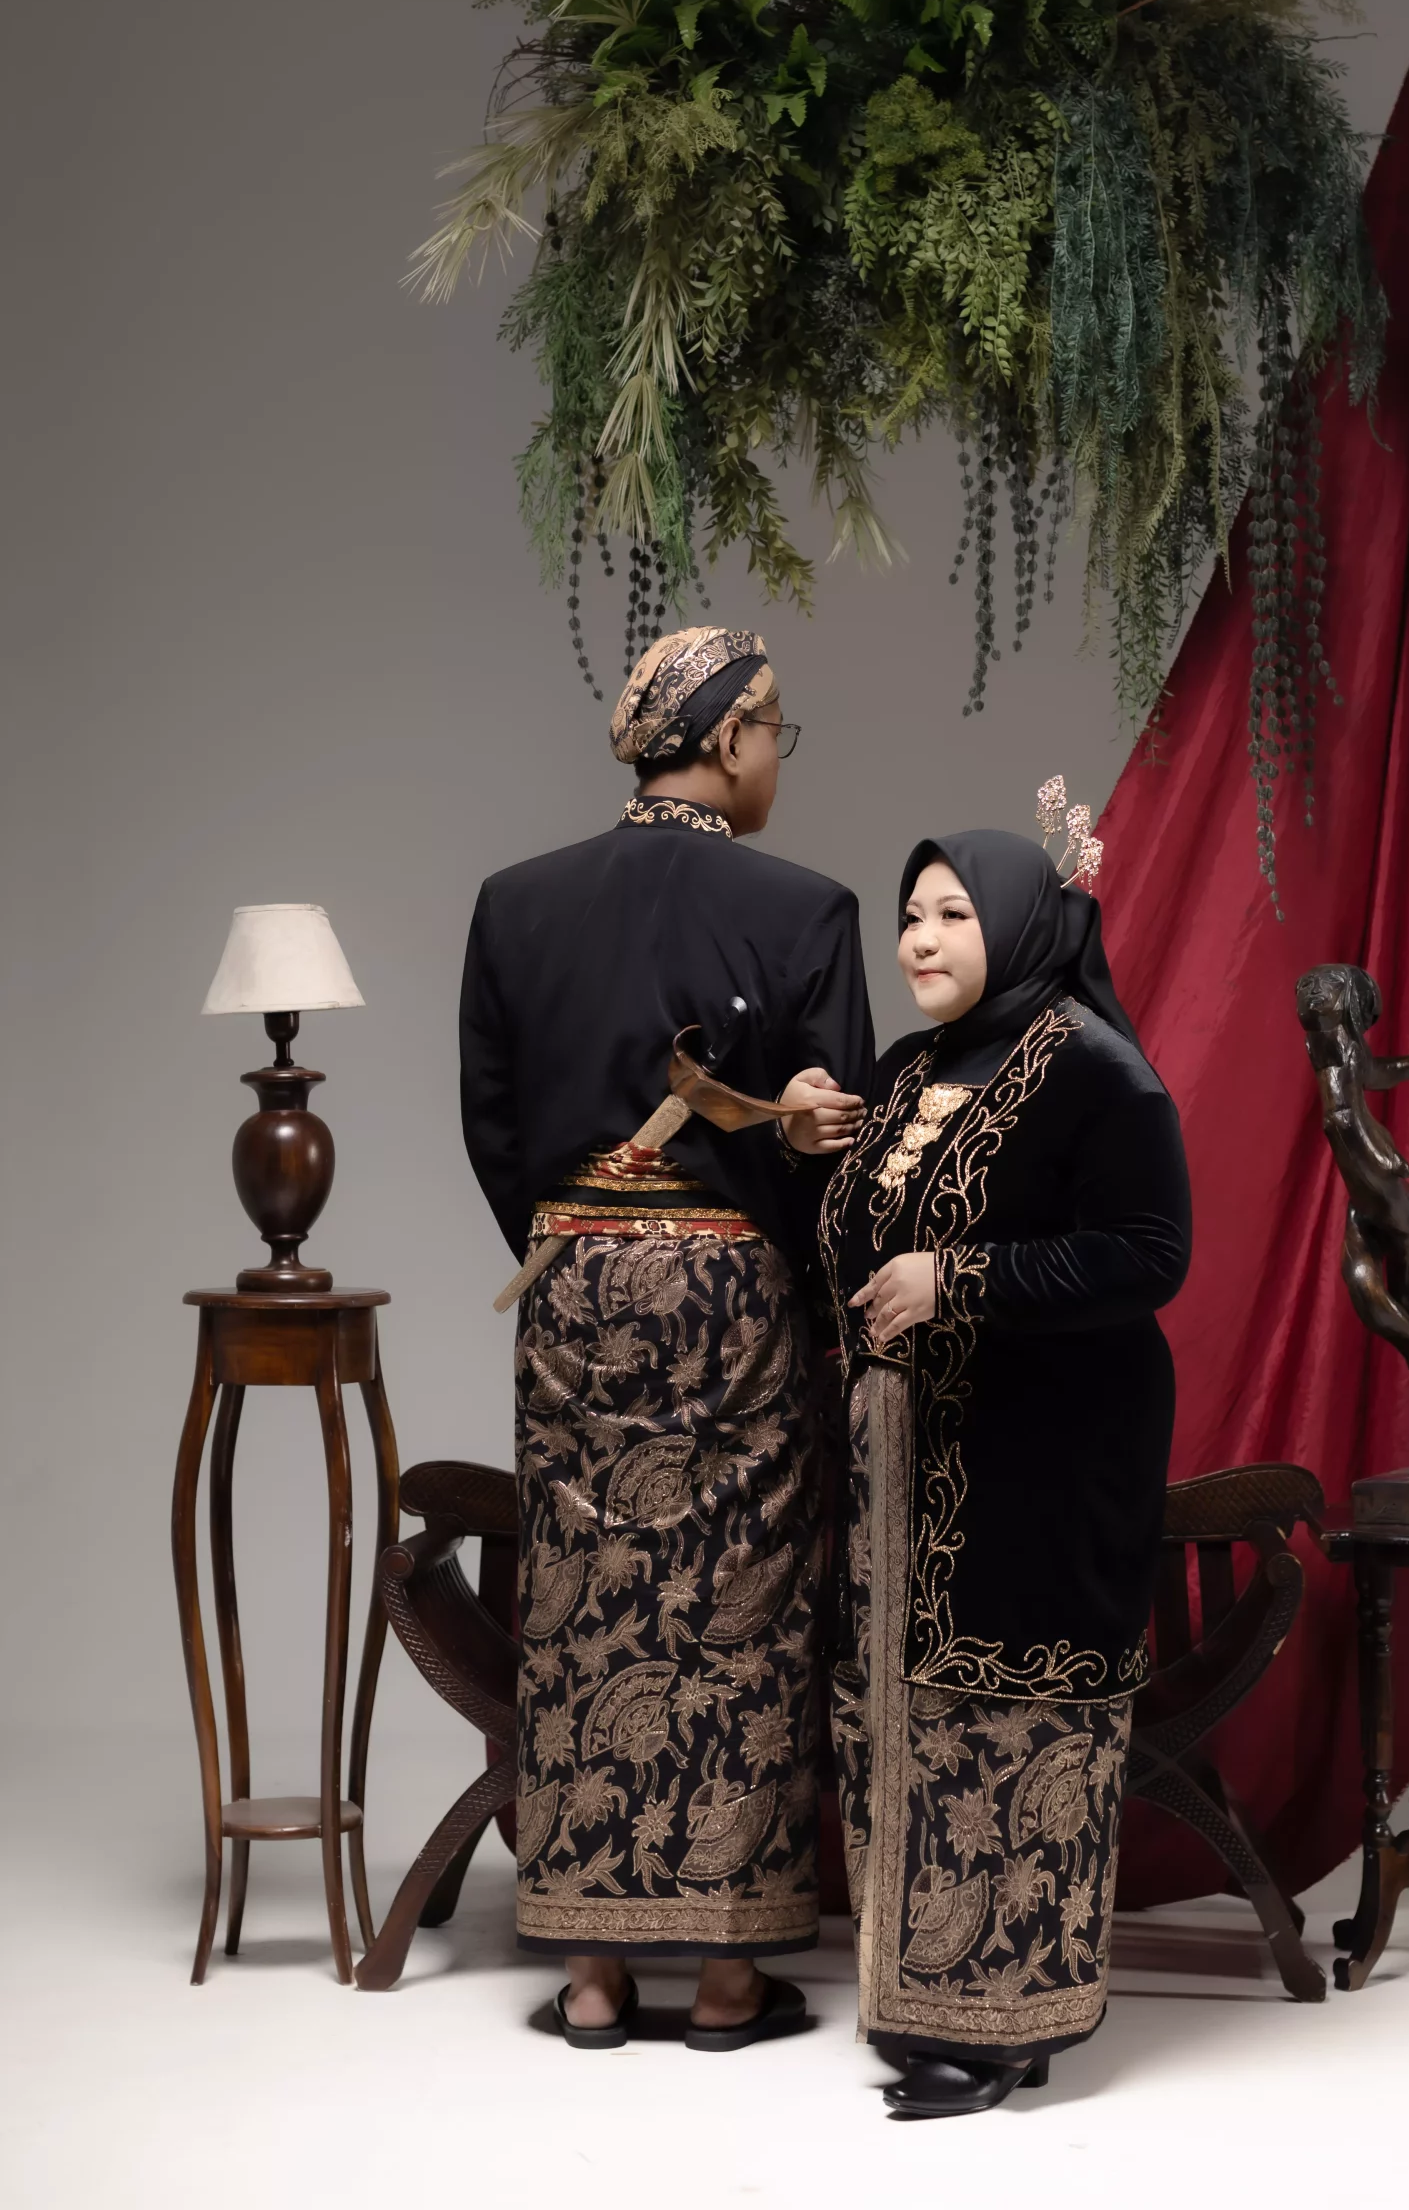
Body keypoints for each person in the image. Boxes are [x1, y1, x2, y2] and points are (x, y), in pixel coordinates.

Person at [459, 627, 873, 2051]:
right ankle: (727, 1979)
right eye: (776, 732)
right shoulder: (805, 909)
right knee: (742, 1607)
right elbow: (836, 1149)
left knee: (580, 1605)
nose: (776, 759)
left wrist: (578, 1241)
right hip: (734, 1293)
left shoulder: (515, 903)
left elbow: (494, 1127)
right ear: (733, 732)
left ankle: (589, 1975)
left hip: (573, 1285)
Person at [818, 828, 1191, 2118]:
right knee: (905, 1716)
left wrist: (962, 1279)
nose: (918, 940)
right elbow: (863, 1245)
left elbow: (1151, 1252)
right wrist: (815, 1148)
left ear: (1023, 925)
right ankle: (920, 1996)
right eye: (910, 915)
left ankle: (1007, 2026)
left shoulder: (1095, 1070)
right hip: (906, 1462)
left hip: (1045, 1456)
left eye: (952, 915)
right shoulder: (909, 1070)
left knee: (1010, 1721)